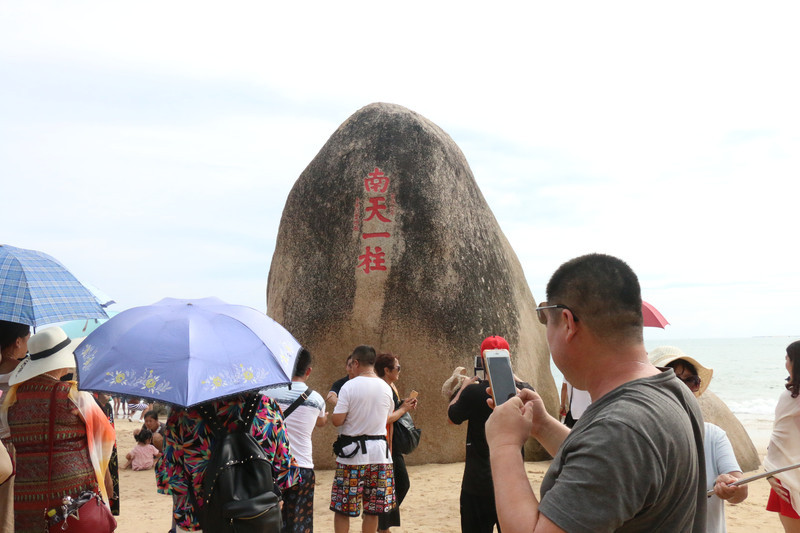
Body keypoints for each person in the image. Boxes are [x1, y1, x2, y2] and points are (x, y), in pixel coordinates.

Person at [486, 253, 706, 532]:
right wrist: (542, 425)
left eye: (546, 320)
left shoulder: (619, 429)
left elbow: (612, 449)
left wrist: (504, 444)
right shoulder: (674, 391)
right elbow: (610, 469)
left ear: (567, 322)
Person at [0, 326, 115, 533]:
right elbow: (104, 438)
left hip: (26, 498)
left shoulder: (12, 398)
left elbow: (9, 437)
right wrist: (107, 487)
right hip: (71, 499)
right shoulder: (73, 395)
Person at [163, 392, 301, 532]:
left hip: (199, 520)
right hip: (259, 518)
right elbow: (284, 470)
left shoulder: (182, 413)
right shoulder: (267, 405)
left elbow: (171, 479)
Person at [650, 345, 748, 533]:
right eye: (673, 380)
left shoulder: (713, 435)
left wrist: (731, 487)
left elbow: (740, 492)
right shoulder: (641, 437)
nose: (683, 388)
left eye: (691, 381)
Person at [447, 335, 532, 533]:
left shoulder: (472, 392)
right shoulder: (523, 392)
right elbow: (529, 391)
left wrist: (464, 387)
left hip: (478, 482)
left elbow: (452, 417)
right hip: (512, 484)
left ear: (482, 360)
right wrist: (511, 374)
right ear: (508, 359)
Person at [330, 345, 395, 533]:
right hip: (380, 456)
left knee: (343, 508)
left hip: (352, 455)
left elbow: (337, 420)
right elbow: (386, 417)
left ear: (356, 363)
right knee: (373, 510)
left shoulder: (349, 386)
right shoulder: (386, 387)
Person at [262, 348, 328, 533]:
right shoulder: (316, 399)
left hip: (271, 468)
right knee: (300, 523)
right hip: (302, 467)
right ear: (309, 371)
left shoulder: (266, 393)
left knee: (269, 523)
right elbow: (321, 421)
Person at [374, 352, 418, 533]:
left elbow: (393, 409)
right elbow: (384, 418)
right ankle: (380, 523)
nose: (400, 370)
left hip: (392, 444)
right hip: (384, 444)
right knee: (397, 484)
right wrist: (403, 409)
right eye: (397, 368)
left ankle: (380, 522)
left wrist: (403, 404)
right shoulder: (381, 389)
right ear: (387, 370)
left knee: (398, 485)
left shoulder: (390, 386)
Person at [764, 340, 800, 532]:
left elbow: (779, 439)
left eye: (787, 358)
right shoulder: (789, 396)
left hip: (789, 476)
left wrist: (770, 472)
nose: (785, 362)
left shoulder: (789, 397)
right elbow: (780, 439)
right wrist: (770, 472)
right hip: (788, 476)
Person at [0, 320, 29, 533]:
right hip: (11, 449)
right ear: (18, 341)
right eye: (27, 340)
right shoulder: (25, 372)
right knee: (8, 513)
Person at [94, 392, 121, 515]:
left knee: (111, 486)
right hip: (99, 450)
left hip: (110, 448)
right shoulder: (93, 405)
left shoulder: (108, 407)